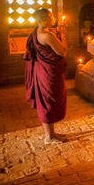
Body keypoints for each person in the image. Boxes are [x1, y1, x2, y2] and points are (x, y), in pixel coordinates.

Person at [24, 8, 68, 144]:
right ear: (44, 19)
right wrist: (63, 35)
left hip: (42, 71)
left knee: (47, 100)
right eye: (51, 15)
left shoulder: (37, 32)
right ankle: (49, 137)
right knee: (49, 101)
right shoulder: (47, 36)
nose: (53, 17)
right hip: (48, 74)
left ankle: (52, 133)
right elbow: (63, 52)